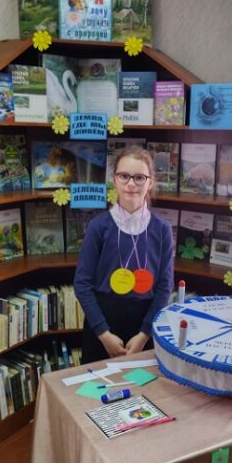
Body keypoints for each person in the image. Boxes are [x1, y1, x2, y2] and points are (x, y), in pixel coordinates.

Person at [74, 145, 174, 364]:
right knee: (96, 383)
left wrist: (144, 335)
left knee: (142, 383)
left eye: (139, 177)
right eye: (124, 176)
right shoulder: (98, 226)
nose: (131, 184)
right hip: (102, 324)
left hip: (144, 325)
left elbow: (164, 286)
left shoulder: (162, 229)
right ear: (114, 180)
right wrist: (103, 334)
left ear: (150, 182)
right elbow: (82, 284)